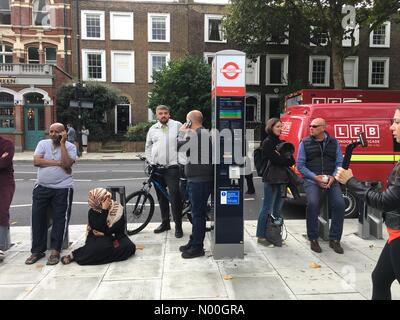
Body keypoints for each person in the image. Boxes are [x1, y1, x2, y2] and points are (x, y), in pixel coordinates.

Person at [335, 106, 400, 300]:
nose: (391, 128)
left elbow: (385, 202)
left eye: (397, 122)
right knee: (379, 278)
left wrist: (351, 182)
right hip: (395, 232)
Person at [25, 123, 76, 266]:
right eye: (51, 131)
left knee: (60, 219)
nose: (53, 134)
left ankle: (55, 251)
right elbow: (36, 161)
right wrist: (57, 163)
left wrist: (63, 144)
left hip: (63, 188)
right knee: (37, 218)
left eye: (56, 132)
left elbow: (67, 164)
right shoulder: (42, 143)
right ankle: (37, 250)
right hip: (41, 187)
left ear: (63, 133)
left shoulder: (71, 147)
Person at [297, 118, 345, 254]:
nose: (310, 128)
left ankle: (335, 239)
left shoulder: (334, 142)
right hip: (312, 180)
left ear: (323, 128)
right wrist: (314, 177)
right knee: (312, 204)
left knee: (340, 205)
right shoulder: (305, 143)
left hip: (331, 180)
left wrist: (333, 176)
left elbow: (339, 162)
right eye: (310, 126)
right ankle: (313, 238)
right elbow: (300, 165)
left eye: (314, 126)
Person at [61, 188, 136, 265]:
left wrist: (106, 232)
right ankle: (75, 254)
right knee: (101, 247)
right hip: (97, 240)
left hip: (115, 237)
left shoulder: (117, 208)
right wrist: (104, 210)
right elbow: (101, 228)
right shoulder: (92, 213)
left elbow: (119, 228)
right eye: (104, 199)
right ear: (97, 201)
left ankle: (99, 257)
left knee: (130, 247)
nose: (108, 201)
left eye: (108, 198)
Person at [177, 110, 213, 258]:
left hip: (200, 181)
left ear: (190, 122)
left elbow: (179, 147)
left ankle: (197, 247)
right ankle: (193, 242)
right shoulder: (201, 134)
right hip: (198, 179)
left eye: (187, 121)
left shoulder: (198, 134)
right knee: (196, 213)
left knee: (198, 215)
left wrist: (181, 133)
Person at [145, 105, 184, 238]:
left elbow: (186, 140)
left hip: (172, 168)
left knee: (174, 197)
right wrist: (150, 162)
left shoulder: (177, 125)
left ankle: (178, 226)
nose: (163, 115)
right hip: (157, 169)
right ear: (156, 115)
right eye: (160, 113)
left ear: (169, 114)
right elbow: (148, 147)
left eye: (165, 113)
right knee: (161, 198)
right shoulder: (152, 129)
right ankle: (165, 223)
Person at [256, 118, 295, 246]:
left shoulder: (281, 142)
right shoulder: (267, 142)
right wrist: (282, 157)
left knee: (278, 209)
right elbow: (277, 160)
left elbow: (291, 161)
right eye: (278, 126)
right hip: (270, 179)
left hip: (282, 179)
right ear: (271, 127)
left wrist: (281, 156)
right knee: (267, 207)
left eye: (281, 126)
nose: (280, 128)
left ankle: (275, 235)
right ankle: (261, 236)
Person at [0, 136, 15, 252]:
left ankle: (1, 246)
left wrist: (3, 159)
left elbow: (3, 163)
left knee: (2, 211)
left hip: (5, 182)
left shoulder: (7, 143)